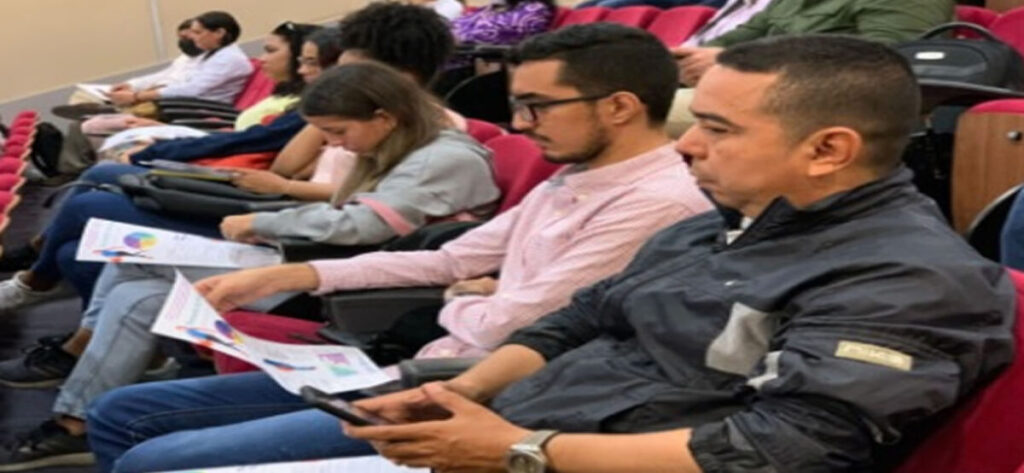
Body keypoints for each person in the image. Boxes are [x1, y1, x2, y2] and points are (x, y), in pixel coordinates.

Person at [102, 33, 1016, 473]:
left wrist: (519, 448)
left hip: (554, 452)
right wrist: (466, 388)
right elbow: (580, 318)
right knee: (135, 437)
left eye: (718, 129)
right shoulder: (722, 217)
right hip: (511, 421)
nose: (689, 145)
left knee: (149, 460)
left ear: (829, 149)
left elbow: (788, 444)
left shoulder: (908, 276)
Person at [83, 23, 714, 473]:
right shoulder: (575, 176)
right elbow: (453, 259)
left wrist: (463, 300)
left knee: (150, 455)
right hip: (420, 366)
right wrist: (296, 276)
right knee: (119, 413)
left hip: (464, 395)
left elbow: (514, 324)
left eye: (536, 107)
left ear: (620, 107)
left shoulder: (656, 202)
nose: (521, 124)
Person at [0, 59, 500, 472]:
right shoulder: (404, 147)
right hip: (331, 265)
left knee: (137, 273)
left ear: (385, 117)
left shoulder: (443, 158)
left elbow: (361, 227)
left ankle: (77, 400)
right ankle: (77, 414)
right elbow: (349, 216)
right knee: (135, 284)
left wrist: (264, 223)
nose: (334, 145)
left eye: (338, 132)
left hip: (354, 289)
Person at [0, 22, 323, 309]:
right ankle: (47, 274)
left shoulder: (313, 112)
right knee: (74, 239)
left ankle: (34, 278)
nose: (263, 58)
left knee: (91, 199)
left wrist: (161, 146)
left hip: (241, 195)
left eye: (309, 62)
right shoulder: (298, 102)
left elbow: (261, 151)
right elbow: (249, 140)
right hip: (230, 167)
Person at [664, 0, 953, 137]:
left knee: (646, 114)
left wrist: (732, 60)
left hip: (824, 106)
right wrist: (669, 60)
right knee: (643, 96)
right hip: (754, 92)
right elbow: (733, 40)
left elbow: (887, 67)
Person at [111, 11, 252, 106]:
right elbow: (169, 75)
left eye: (197, 33)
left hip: (195, 110)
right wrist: (133, 86)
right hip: (180, 104)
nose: (193, 38)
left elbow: (192, 89)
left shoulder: (230, 59)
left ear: (219, 33)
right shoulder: (209, 53)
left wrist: (136, 96)